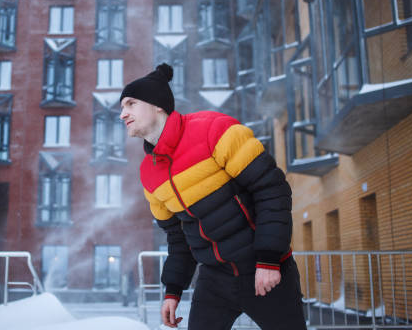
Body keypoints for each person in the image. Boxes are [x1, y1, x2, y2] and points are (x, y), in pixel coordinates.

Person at [119, 64, 306, 330]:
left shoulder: (214, 130)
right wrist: (173, 290)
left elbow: (271, 189)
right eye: (122, 107)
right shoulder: (149, 173)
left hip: (262, 269)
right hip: (214, 279)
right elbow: (177, 235)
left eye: (130, 104)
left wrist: (269, 260)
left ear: (157, 105)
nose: (123, 114)